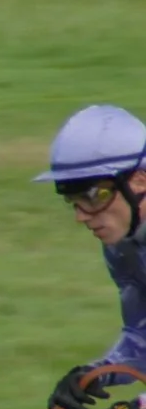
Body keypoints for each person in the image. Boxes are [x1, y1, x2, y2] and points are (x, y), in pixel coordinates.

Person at [35, 104, 146, 371]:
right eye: (72, 200)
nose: (81, 216)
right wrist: (97, 374)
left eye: (94, 196)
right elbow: (141, 336)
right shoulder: (123, 249)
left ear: (140, 181)